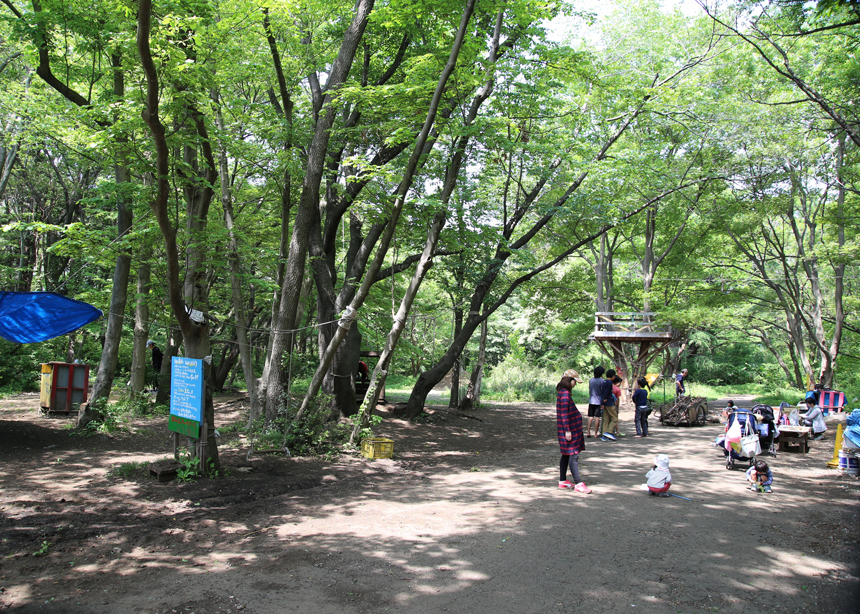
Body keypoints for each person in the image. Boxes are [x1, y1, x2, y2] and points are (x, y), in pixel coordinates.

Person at [556, 369, 591, 493]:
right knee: (573, 454)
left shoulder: (562, 393)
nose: (575, 384)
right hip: (570, 430)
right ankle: (578, 483)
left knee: (566, 455)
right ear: (569, 381)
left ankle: (563, 481)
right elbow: (564, 414)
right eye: (575, 381)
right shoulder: (565, 395)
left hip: (569, 429)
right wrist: (567, 431)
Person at [586, 366, 605, 438]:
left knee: (590, 417)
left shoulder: (591, 380)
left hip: (591, 400)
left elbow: (590, 391)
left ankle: (588, 432)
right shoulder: (602, 381)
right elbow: (602, 391)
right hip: (598, 401)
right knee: (597, 417)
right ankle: (595, 433)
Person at [599, 369, 617, 441]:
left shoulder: (604, 382)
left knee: (605, 419)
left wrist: (602, 403)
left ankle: (604, 434)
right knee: (614, 418)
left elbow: (602, 392)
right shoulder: (609, 383)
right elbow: (606, 392)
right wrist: (605, 399)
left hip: (604, 403)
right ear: (613, 376)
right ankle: (609, 432)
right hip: (609, 402)